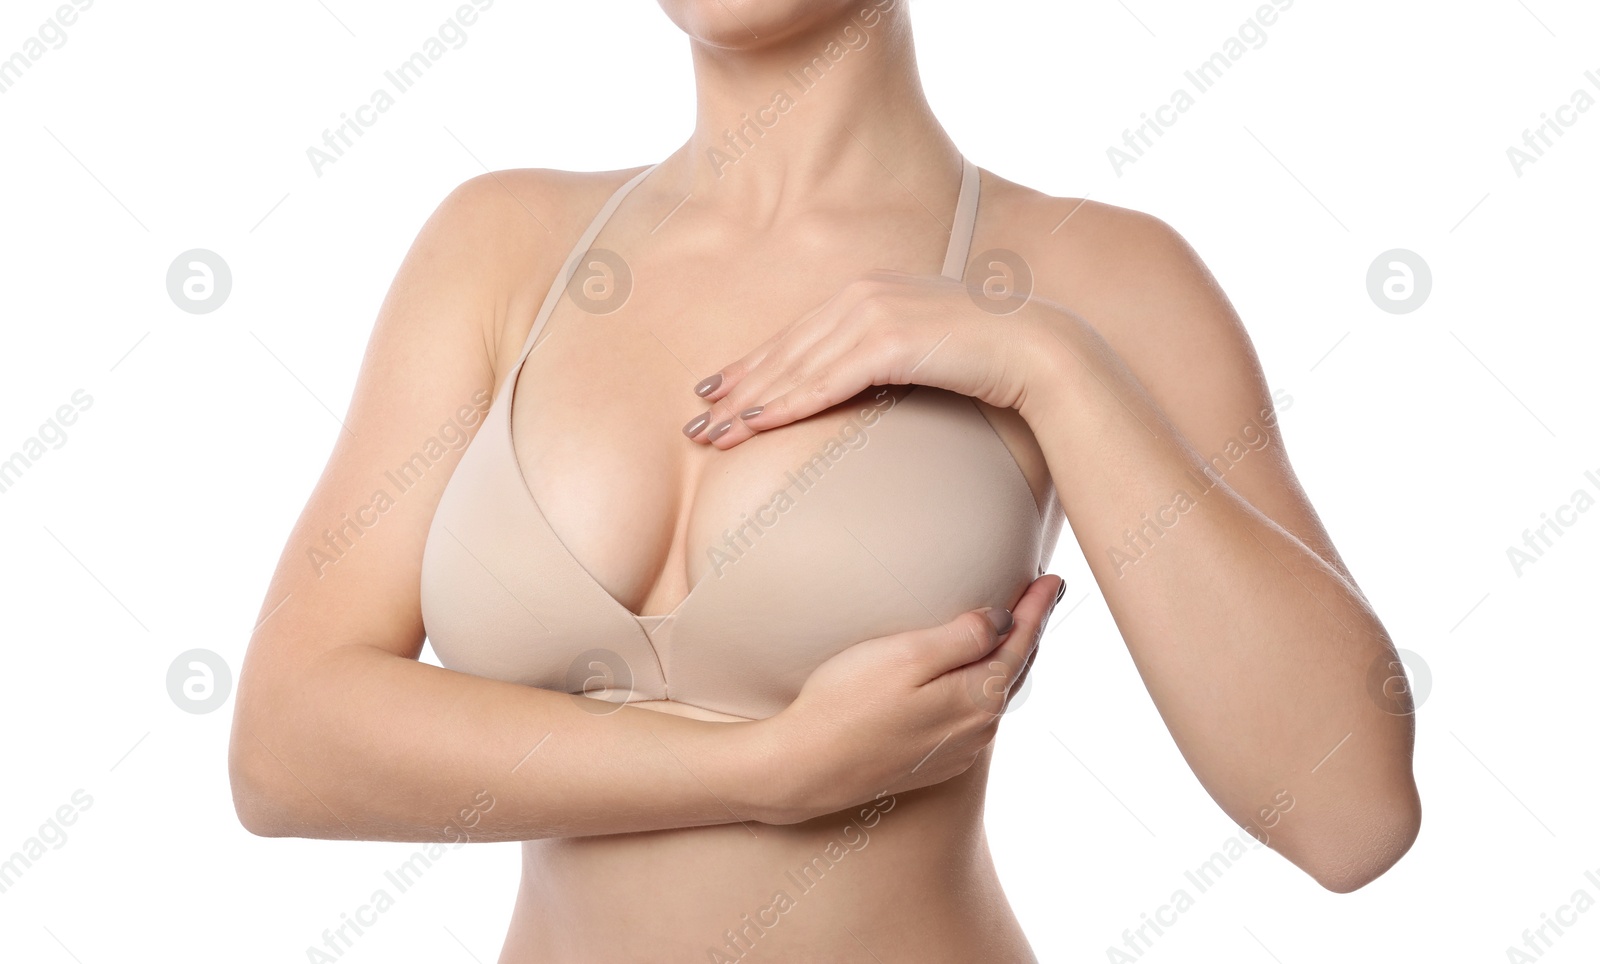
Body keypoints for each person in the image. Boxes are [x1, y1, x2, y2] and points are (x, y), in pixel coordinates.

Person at [229, 1, 1421, 960]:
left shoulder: (1090, 273)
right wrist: (769, 771)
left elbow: (1347, 814)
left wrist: (1042, 360)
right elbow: (285, 745)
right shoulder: (502, 247)